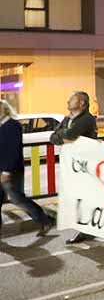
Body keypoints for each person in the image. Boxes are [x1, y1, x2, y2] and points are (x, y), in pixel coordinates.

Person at [1, 99, 55, 236]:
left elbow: (13, 150)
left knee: (17, 198)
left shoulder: (12, 125)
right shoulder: (2, 125)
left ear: (3, 109)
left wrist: (6, 171)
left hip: (11, 171)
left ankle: (45, 220)